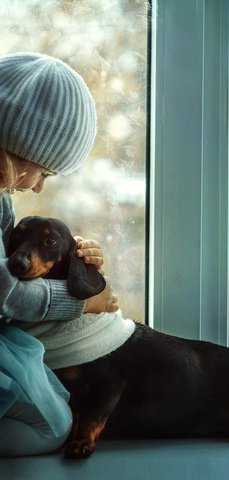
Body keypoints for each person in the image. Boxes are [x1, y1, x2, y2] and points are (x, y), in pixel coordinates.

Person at [0, 52, 117, 456]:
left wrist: (70, 260)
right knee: (50, 428)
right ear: (17, 147)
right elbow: (6, 293)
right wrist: (83, 303)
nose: (37, 188)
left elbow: (13, 271)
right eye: (43, 172)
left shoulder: (2, 203)